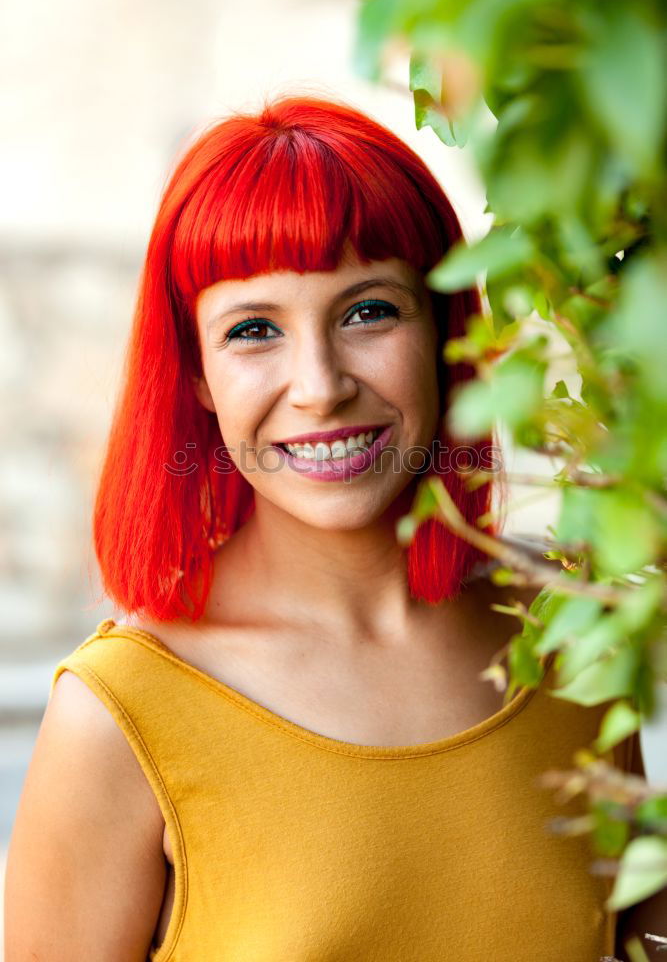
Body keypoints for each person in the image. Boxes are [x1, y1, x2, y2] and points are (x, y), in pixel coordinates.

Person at [4, 93, 646, 961]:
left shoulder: (566, 639)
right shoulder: (119, 715)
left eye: (368, 311)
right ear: (195, 375)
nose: (318, 385)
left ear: (445, 333)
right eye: (254, 330)